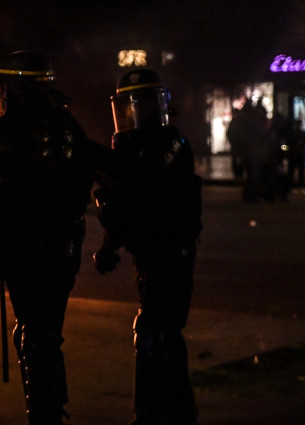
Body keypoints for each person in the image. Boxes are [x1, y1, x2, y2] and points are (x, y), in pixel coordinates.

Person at [0, 50, 108, 425]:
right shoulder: (64, 122)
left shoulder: (16, 126)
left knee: (36, 336)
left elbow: (14, 188)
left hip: (29, 247)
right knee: (42, 332)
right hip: (60, 245)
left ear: (17, 87)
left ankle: (45, 415)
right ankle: (51, 408)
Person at [93, 69, 202, 425]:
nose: (135, 113)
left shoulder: (170, 144)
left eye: (142, 104)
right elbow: (125, 206)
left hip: (171, 253)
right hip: (149, 255)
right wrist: (110, 244)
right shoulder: (133, 149)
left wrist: (98, 157)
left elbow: (142, 182)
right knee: (159, 333)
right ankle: (167, 411)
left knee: (158, 331)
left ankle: (159, 413)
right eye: (129, 105)